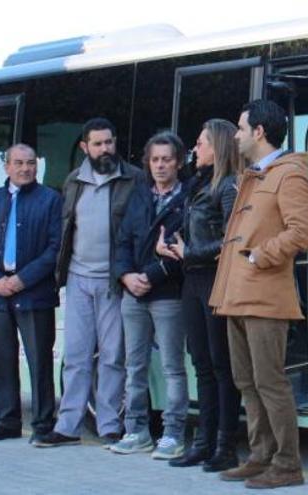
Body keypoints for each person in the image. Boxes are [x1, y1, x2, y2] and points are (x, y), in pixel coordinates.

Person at [210, 99, 308, 489]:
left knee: (270, 382)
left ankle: (288, 465)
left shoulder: (289, 174)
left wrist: (259, 256)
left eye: (240, 128)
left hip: (265, 295)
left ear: (259, 132)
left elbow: (303, 232)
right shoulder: (255, 174)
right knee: (246, 381)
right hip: (236, 295)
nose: (235, 135)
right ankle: (261, 456)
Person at [36, 118, 144, 448]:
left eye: (109, 142)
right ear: (85, 147)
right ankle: (68, 425)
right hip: (78, 279)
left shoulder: (133, 179)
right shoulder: (73, 181)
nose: (104, 149)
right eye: (97, 144)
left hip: (114, 281)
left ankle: (110, 425)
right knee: (77, 355)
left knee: (112, 356)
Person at [157, 119, 242, 470]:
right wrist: (172, 247)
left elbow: (233, 239)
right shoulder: (197, 185)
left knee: (222, 366)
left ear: (218, 147)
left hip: (215, 281)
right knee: (202, 365)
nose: (195, 148)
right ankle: (203, 442)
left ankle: (226, 446)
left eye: (201, 142)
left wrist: (189, 252)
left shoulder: (229, 185)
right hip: (192, 281)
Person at [109, 131, 188, 460]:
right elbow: (123, 242)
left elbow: (182, 252)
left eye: (166, 159)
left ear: (179, 162)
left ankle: (173, 434)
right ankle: (136, 431)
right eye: (154, 160)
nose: (160, 165)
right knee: (134, 366)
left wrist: (148, 276)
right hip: (133, 294)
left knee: (172, 367)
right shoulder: (138, 197)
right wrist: (126, 276)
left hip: (168, 293)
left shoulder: (188, 199)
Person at [0, 144, 62, 442]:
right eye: (18, 163)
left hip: (35, 291)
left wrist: (22, 279)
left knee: (39, 358)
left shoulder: (50, 200)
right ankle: (7, 421)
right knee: (2, 358)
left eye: (30, 163)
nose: (25, 168)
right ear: (6, 166)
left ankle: (43, 422)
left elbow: (56, 248)